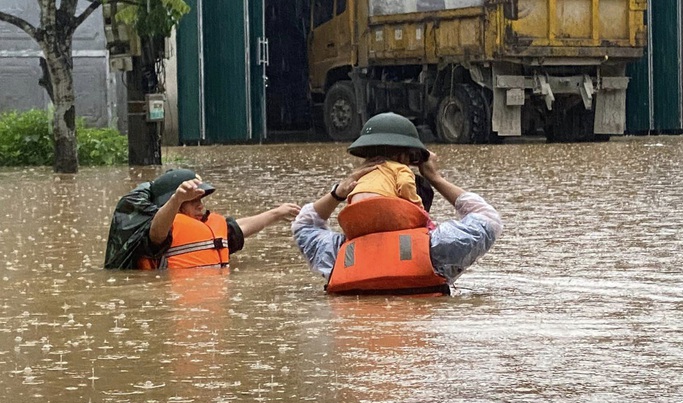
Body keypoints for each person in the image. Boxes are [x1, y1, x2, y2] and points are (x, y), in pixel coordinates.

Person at [292, 149, 503, 295]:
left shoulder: (337, 255)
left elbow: (304, 224)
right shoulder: (436, 249)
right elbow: (488, 219)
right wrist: (435, 178)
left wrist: (338, 193)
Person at [104, 168, 300, 269]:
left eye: (201, 199)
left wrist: (276, 213)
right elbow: (156, 233)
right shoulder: (159, 234)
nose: (200, 205)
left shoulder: (206, 226)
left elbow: (238, 228)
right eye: (192, 201)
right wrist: (177, 199)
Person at [346, 112, 429, 211]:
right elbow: (405, 184)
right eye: (410, 157)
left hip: (354, 208)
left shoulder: (361, 173)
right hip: (383, 207)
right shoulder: (400, 168)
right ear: (401, 157)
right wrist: (418, 206)